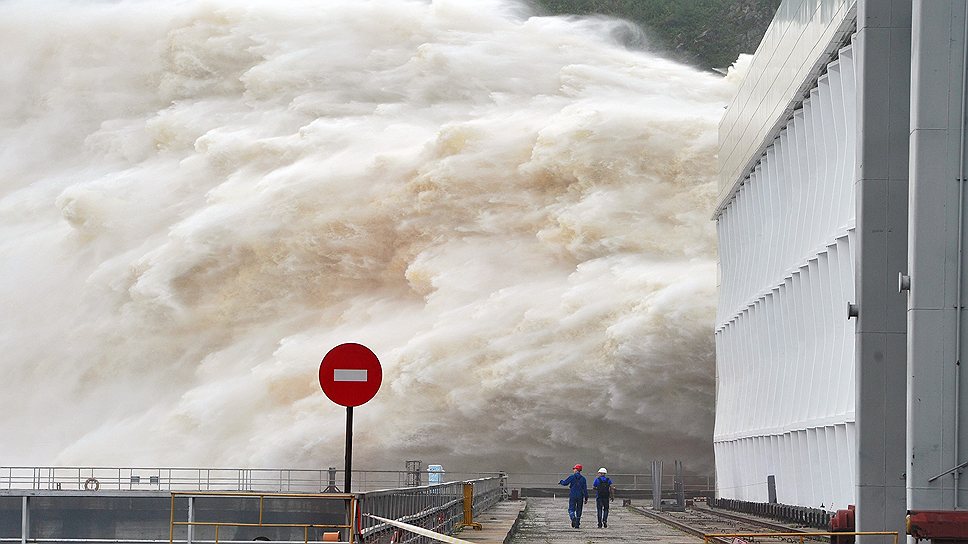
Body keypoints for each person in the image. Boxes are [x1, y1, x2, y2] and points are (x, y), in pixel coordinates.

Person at [558, 464, 588, 528]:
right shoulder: (583, 479)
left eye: (574, 469)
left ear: (576, 470)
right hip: (580, 495)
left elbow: (565, 483)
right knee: (579, 509)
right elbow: (585, 489)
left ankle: (573, 517)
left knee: (571, 509)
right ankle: (577, 523)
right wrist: (586, 497)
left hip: (573, 495)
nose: (573, 470)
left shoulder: (572, 477)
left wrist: (561, 481)